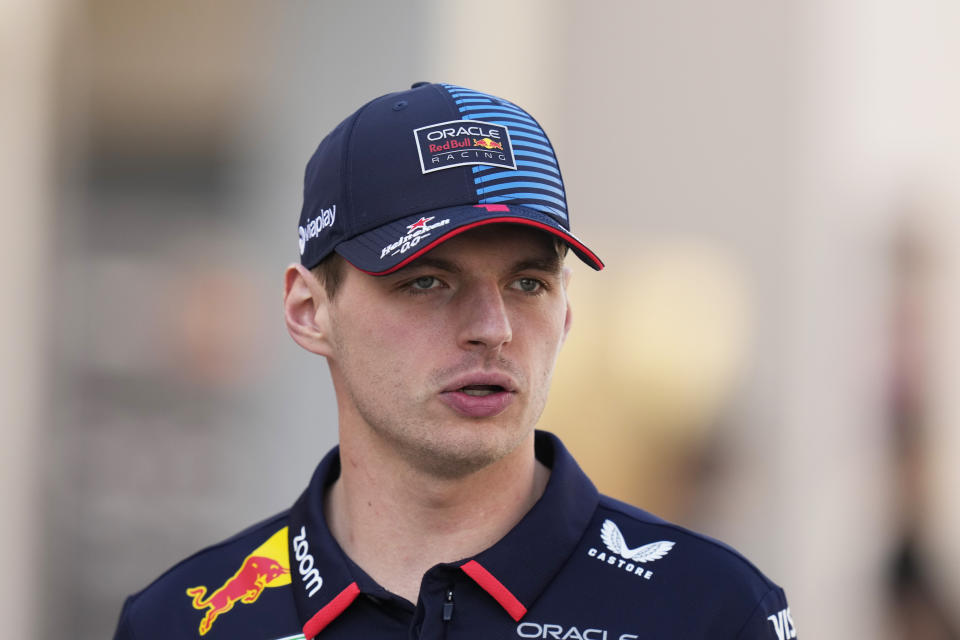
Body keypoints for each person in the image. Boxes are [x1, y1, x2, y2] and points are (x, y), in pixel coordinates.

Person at [113, 82, 797, 640]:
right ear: (309, 310)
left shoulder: (708, 612)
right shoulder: (183, 620)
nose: (492, 329)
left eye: (527, 283)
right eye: (427, 282)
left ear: (565, 311)